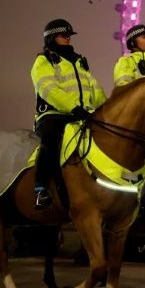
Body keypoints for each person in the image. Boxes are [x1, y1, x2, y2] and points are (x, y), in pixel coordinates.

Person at [31, 18, 107, 209]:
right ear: (51, 38)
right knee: (51, 141)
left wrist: (106, 109)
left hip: (81, 114)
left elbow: (94, 88)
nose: (67, 38)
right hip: (53, 115)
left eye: (68, 35)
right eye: (62, 35)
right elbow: (48, 89)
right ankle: (41, 190)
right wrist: (73, 107)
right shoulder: (43, 61)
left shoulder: (80, 61)